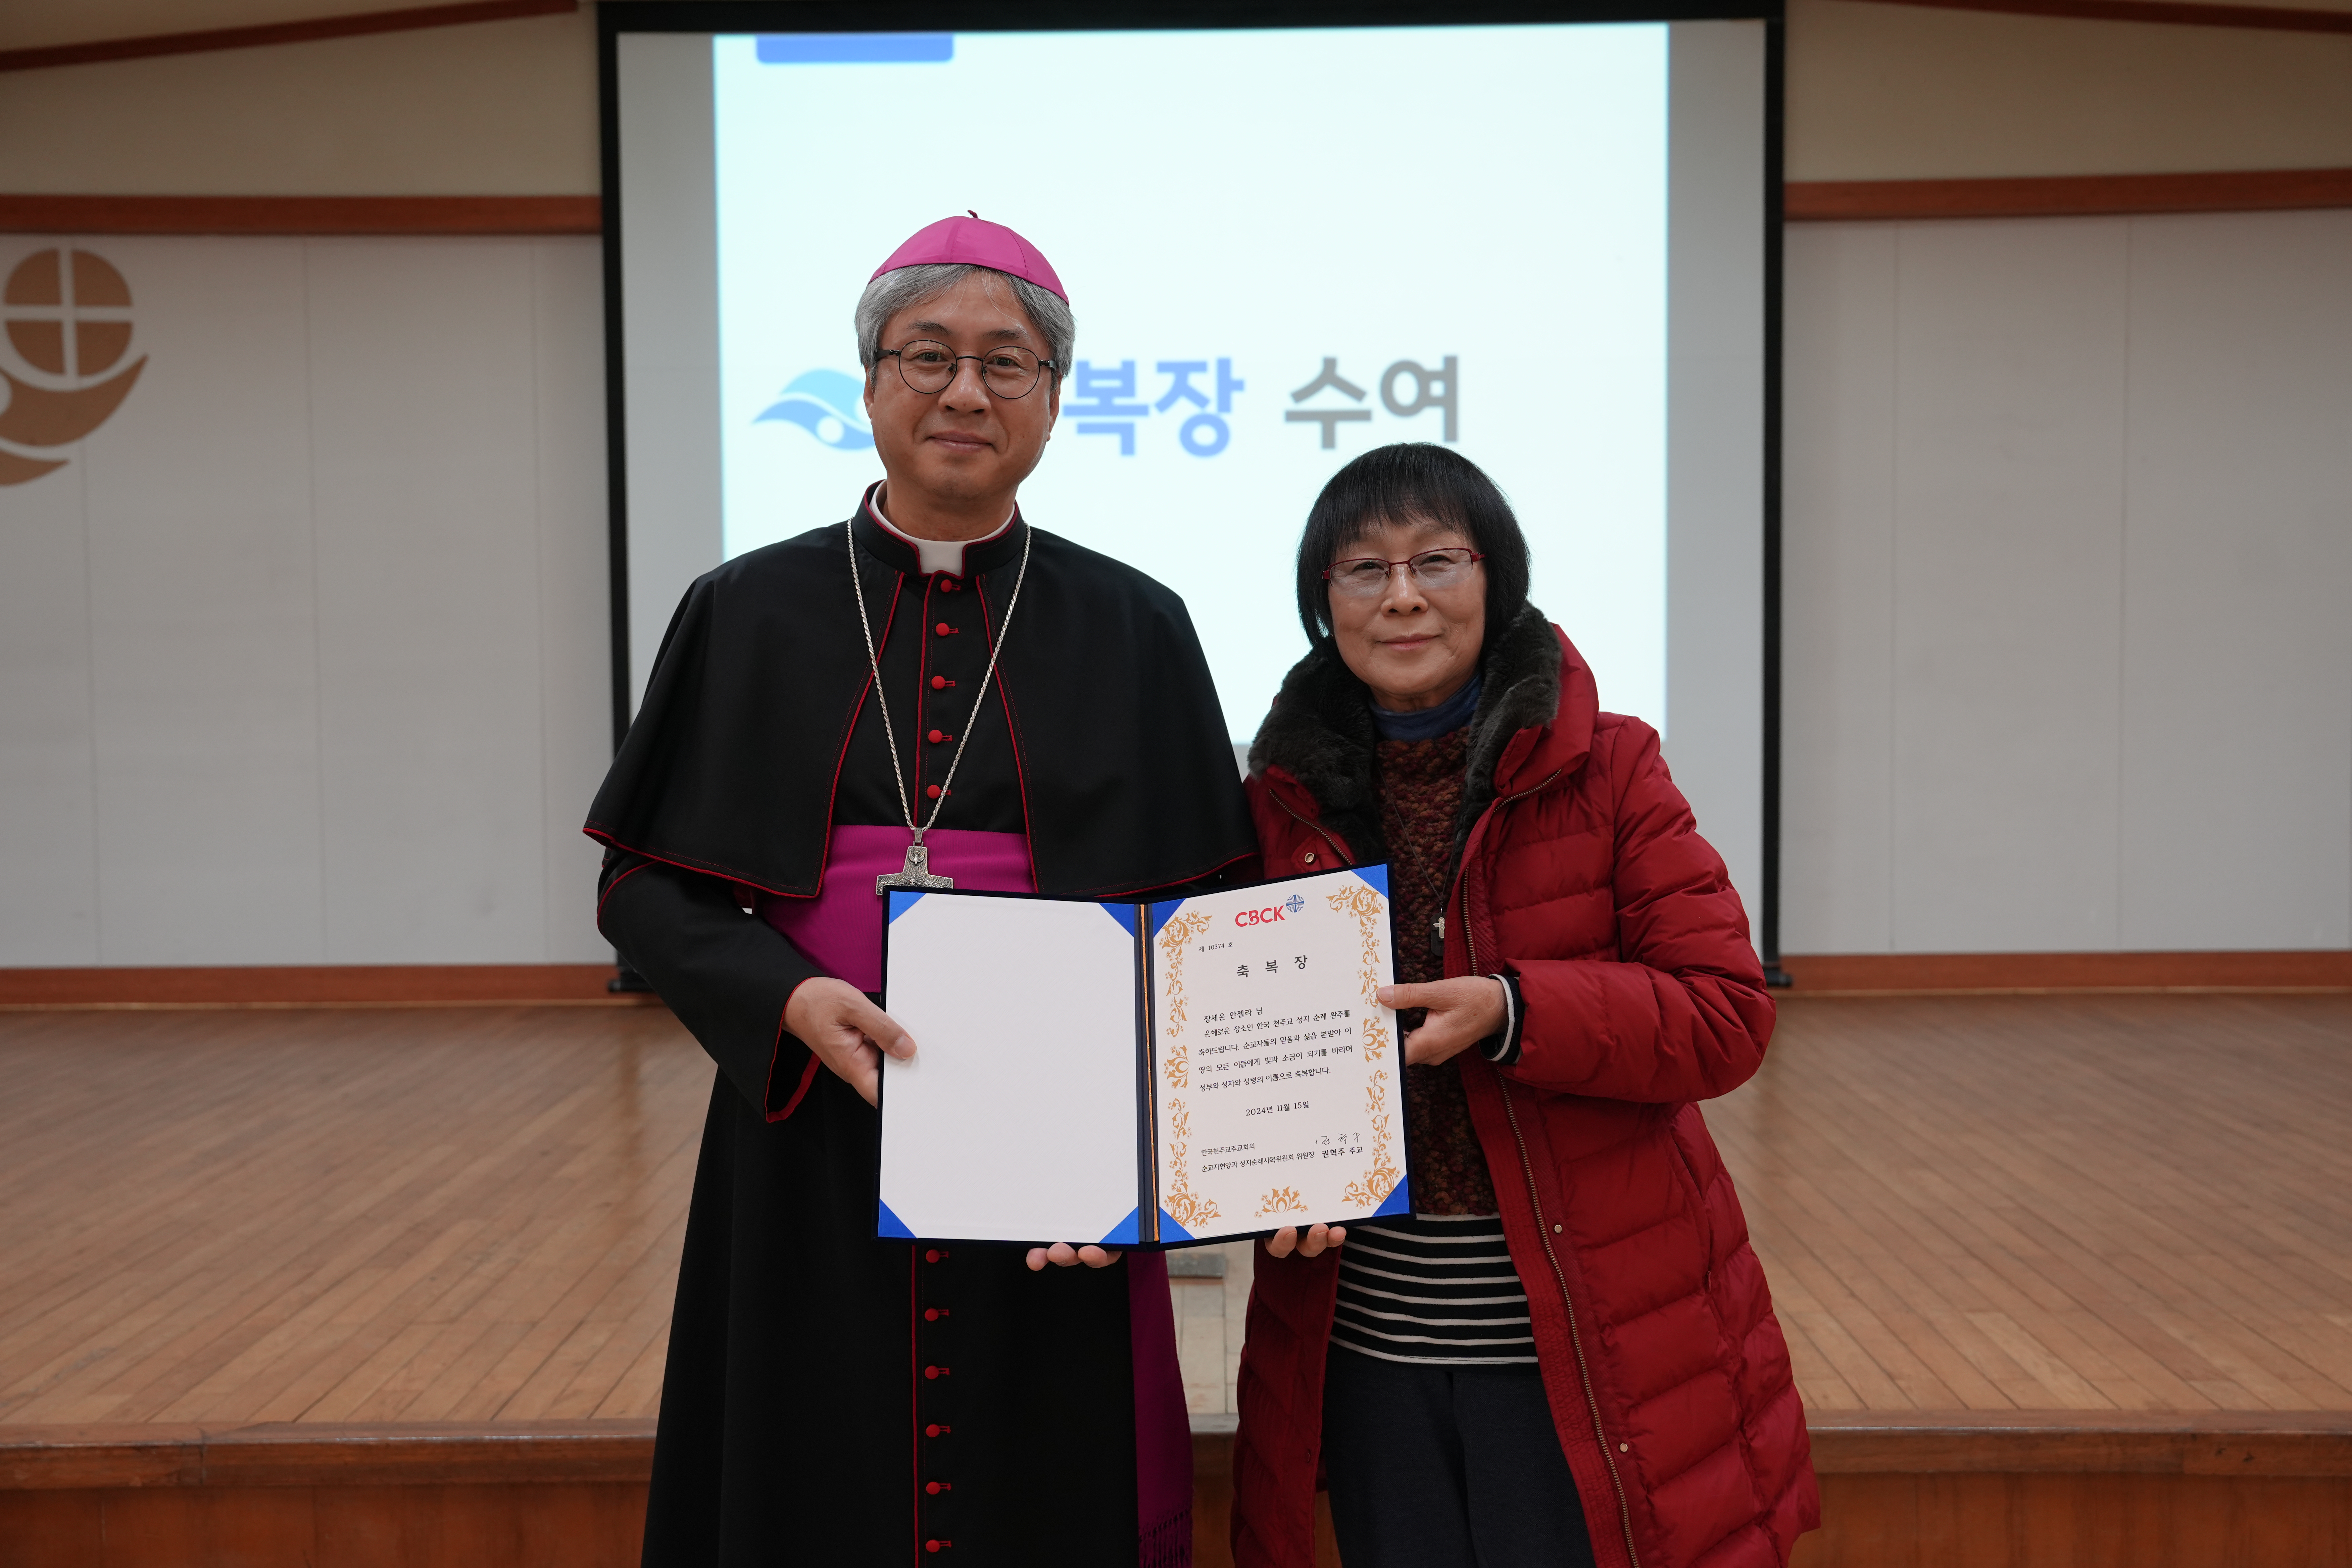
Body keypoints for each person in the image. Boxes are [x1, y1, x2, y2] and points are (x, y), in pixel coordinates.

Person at [588, 215, 1257, 1567]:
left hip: (1056, 1136)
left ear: (1056, 399)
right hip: (811, 1122)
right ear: (871, 380)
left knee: (1049, 1466)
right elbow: (643, 889)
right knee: (809, 1460)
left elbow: (1211, 922)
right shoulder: (745, 610)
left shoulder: (1138, 624)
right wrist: (784, 999)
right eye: (929, 356)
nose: (966, 391)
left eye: (1008, 363)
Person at [1230, 445, 1818, 1568]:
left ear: (1497, 581)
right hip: (1364, 1340)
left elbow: (1725, 1012)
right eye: (1363, 570)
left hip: (1584, 1339)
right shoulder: (1273, 802)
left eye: (1437, 561)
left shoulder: (1610, 770)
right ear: (1325, 604)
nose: (1402, 596)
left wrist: (1513, 1011)